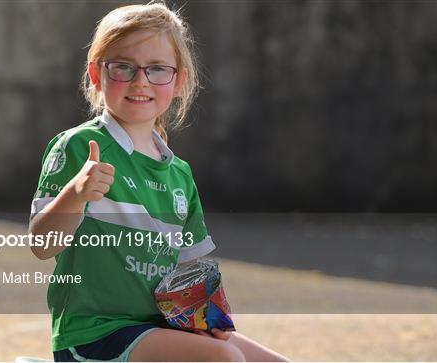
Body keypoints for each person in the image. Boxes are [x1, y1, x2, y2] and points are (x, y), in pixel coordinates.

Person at [29, 2, 290, 362]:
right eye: (123, 67)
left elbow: (187, 269)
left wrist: (208, 318)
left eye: (157, 69)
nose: (140, 81)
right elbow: (42, 244)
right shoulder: (78, 147)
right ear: (95, 74)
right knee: (225, 361)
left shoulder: (179, 172)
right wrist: (76, 193)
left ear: (179, 80)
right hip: (97, 335)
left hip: (163, 327)